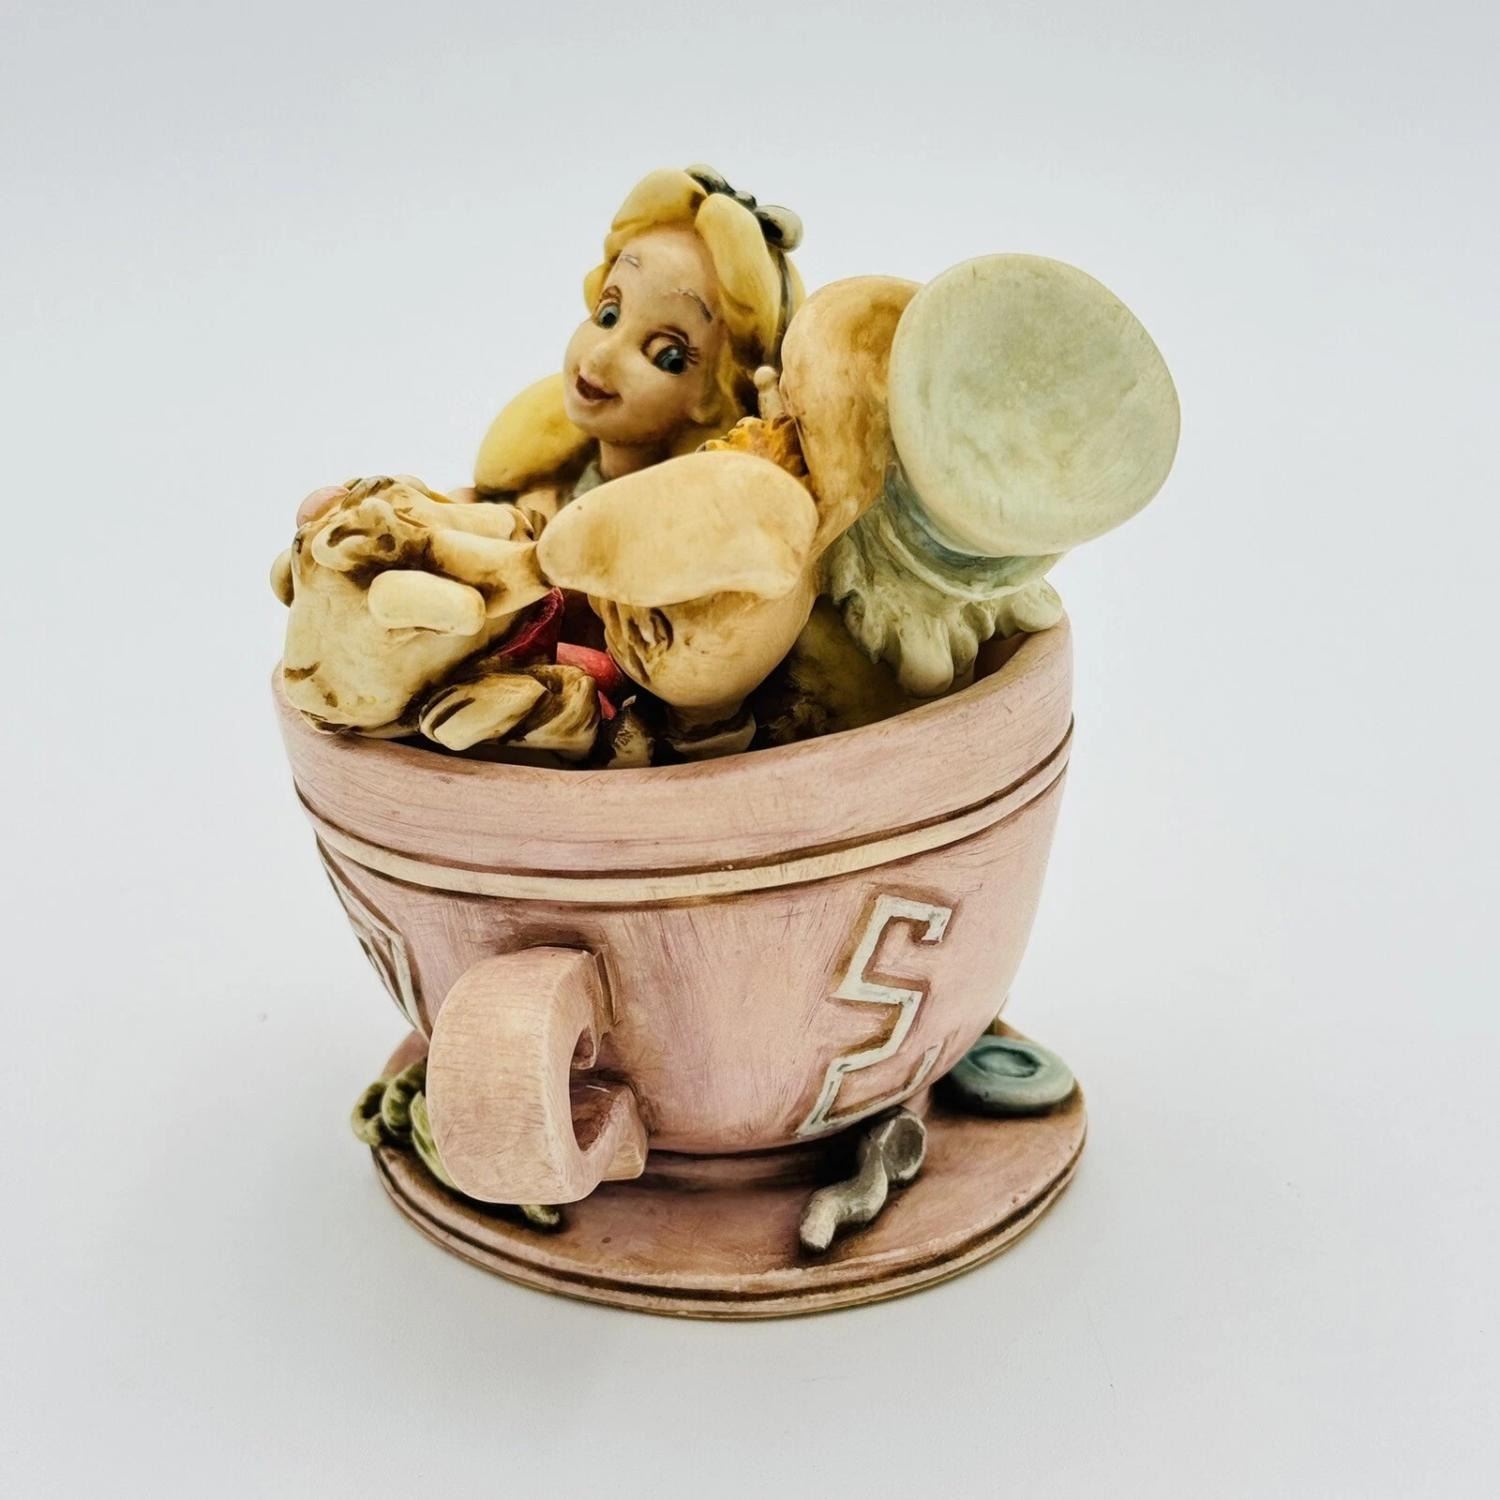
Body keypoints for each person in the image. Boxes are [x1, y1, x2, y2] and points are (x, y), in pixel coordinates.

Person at [471, 164, 804, 519]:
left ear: (713, 400)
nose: (600, 356)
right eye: (608, 315)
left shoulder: (684, 532)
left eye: (666, 355)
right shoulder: (536, 500)